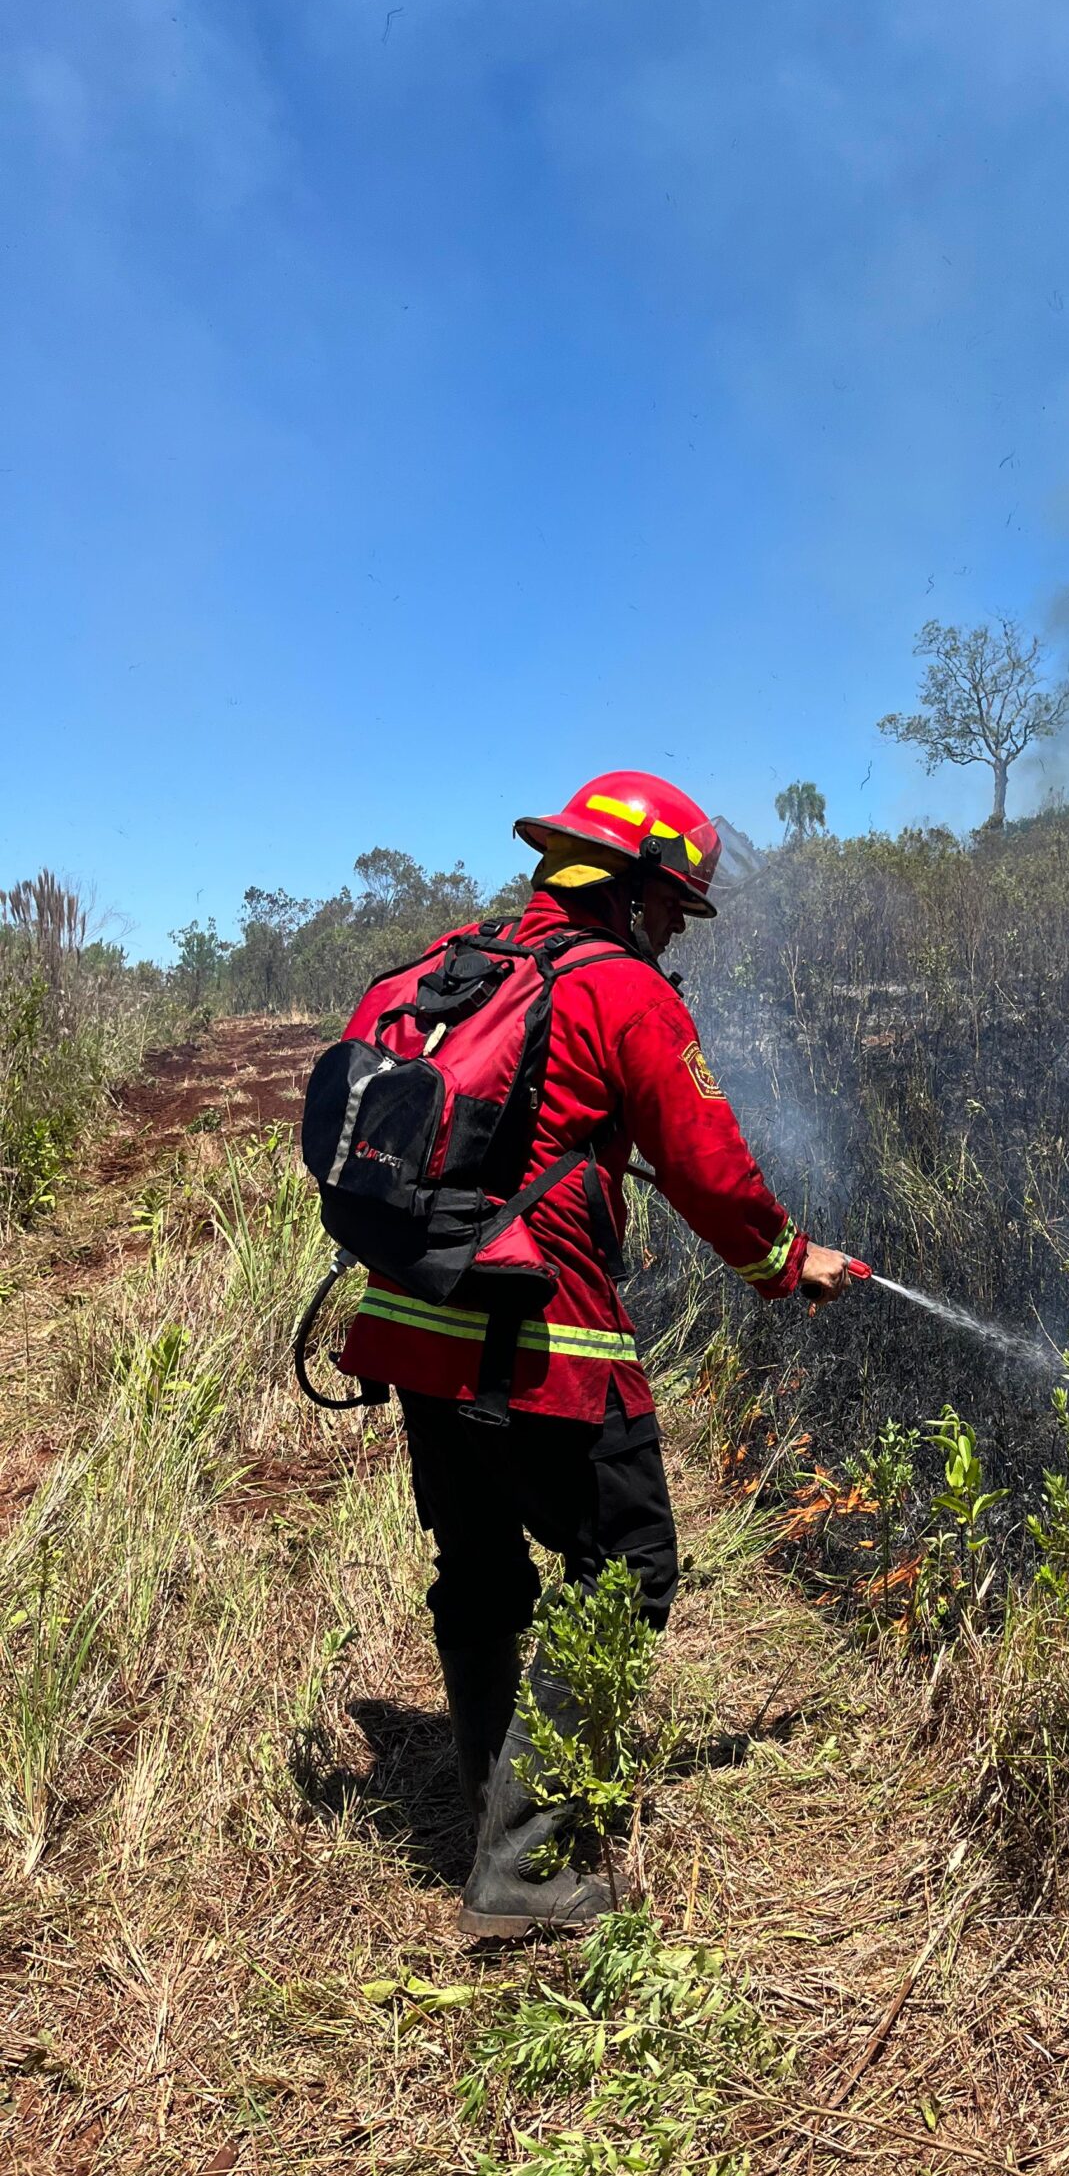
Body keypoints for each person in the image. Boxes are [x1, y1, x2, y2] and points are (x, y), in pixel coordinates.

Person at [332, 772, 852, 1937]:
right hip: (542, 1335)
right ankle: (522, 1863)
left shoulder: (446, 968)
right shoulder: (621, 988)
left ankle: (489, 1812)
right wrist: (785, 1260)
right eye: (674, 908)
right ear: (631, 889)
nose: (676, 932)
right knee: (631, 1566)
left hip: (413, 1319)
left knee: (481, 1570)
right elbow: (709, 1161)